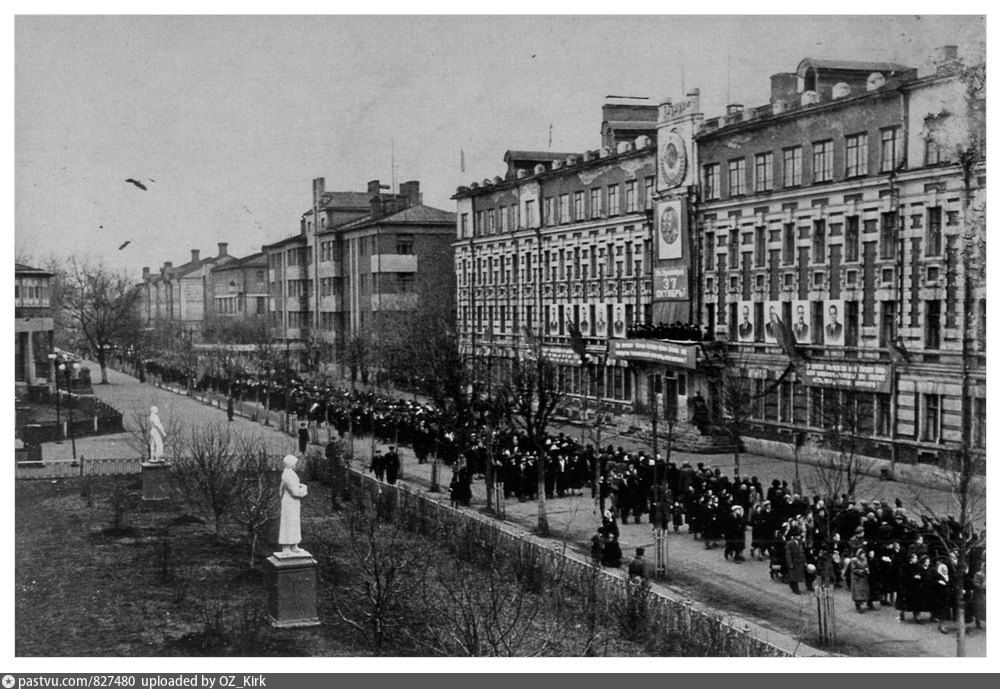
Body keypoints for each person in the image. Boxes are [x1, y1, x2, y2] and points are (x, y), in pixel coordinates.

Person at [278, 454, 308, 555]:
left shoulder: (290, 473)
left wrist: (298, 486)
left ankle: (294, 545)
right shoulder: (287, 475)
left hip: (292, 503)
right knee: (288, 523)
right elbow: (295, 493)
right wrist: (304, 489)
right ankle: (286, 547)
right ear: (291, 464)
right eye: (295, 463)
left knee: (294, 523)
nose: (296, 465)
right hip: (289, 503)